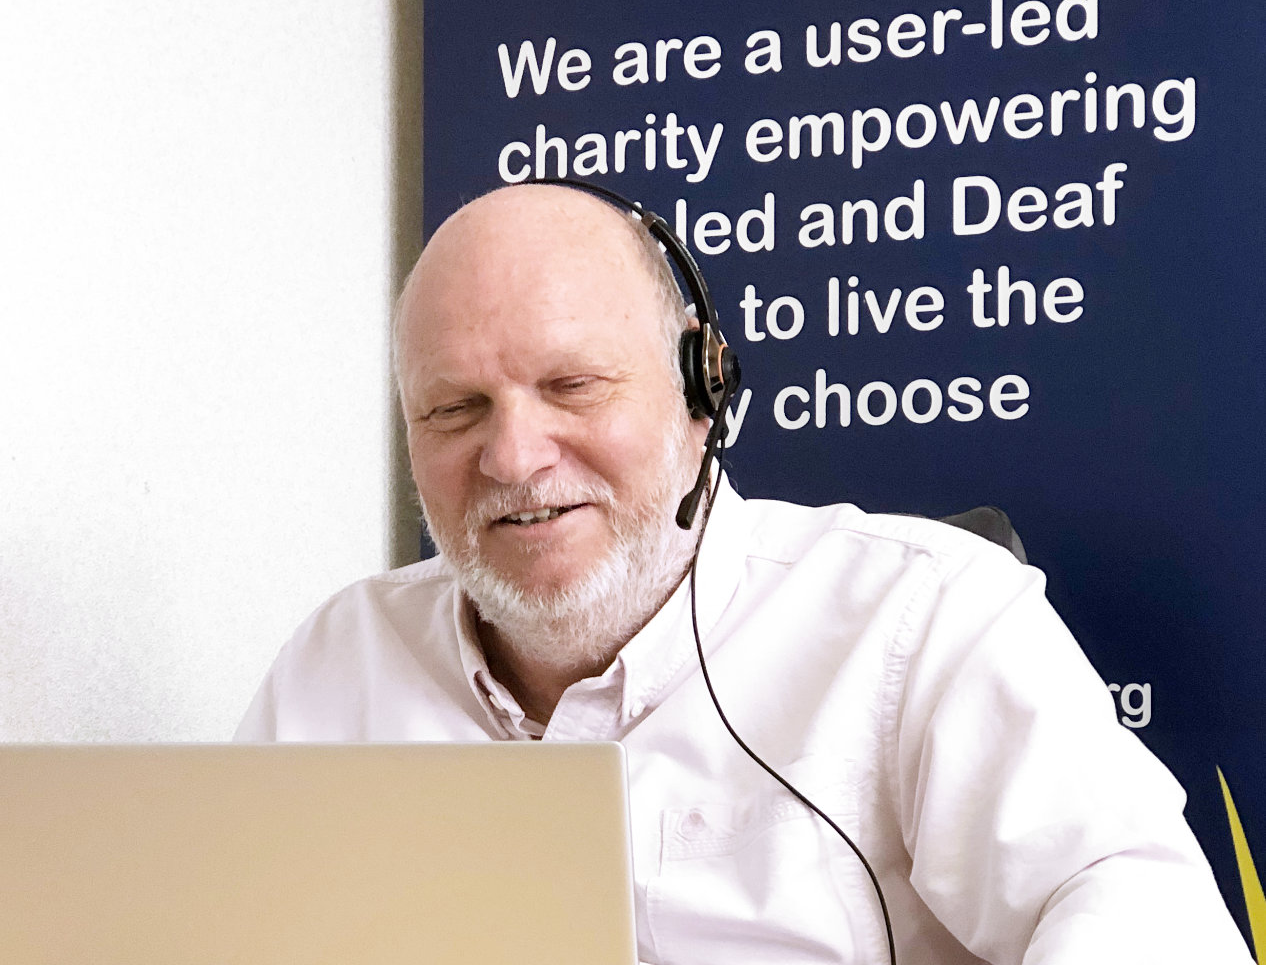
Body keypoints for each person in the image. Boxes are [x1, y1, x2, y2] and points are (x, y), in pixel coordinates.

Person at [237, 183, 1252, 964]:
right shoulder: (337, 662)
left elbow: (1145, 914)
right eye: (454, 410)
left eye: (572, 385)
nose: (513, 457)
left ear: (700, 386)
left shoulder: (925, 615)